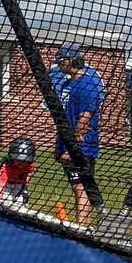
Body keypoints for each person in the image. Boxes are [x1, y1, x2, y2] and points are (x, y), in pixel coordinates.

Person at [49, 41, 105, 226]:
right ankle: (85, 226)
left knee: (81, 187)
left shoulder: (87, 84)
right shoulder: (66, 84)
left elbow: (84, 119)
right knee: (77, 187)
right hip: (67, 144)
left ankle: (83, 228)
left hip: (83, 146)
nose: (58, 63)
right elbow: (63, 117)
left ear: (72, 60)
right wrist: (59, 145)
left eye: (61, 60)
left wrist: (73, 148)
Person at [0, 137, 37, 205]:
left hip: (19, 183)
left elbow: (29, 173)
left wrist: (25, 186)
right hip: (6, 183)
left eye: (24, 161)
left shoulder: (30, 165)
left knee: (21, 201)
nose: (21, 163)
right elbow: (2, 183)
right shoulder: (7, 166)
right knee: (6, 201)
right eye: (18, 160)